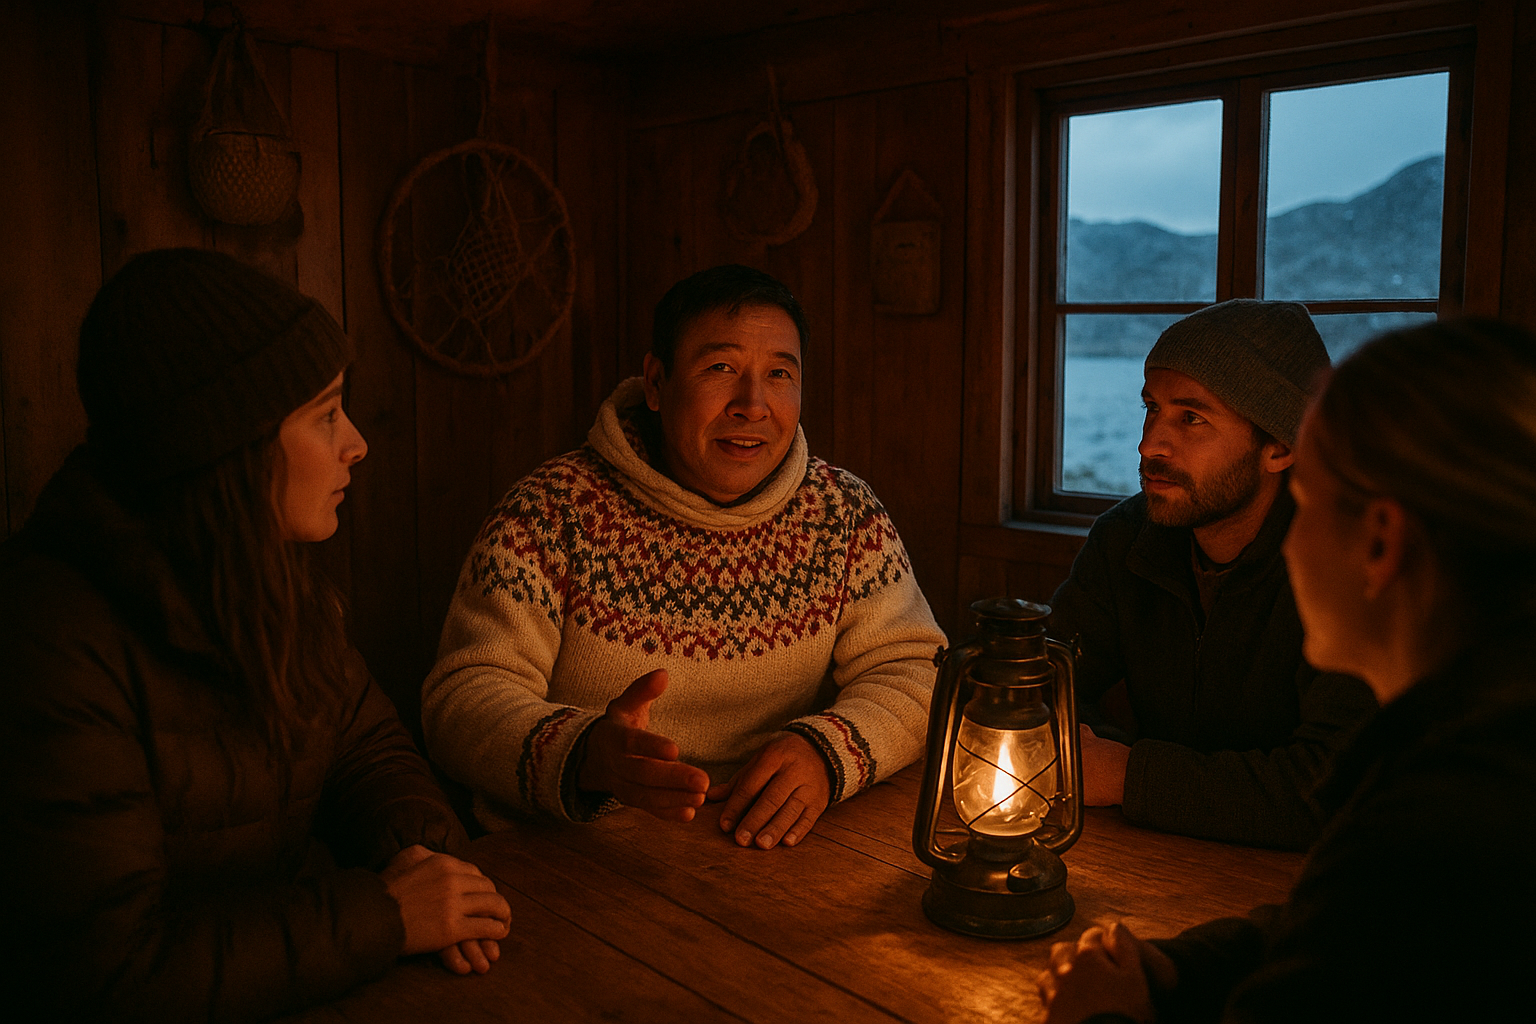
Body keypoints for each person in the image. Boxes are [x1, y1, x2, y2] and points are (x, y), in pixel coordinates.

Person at [0, 249, 512, 1022]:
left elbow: (367, 750)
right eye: (325, 415)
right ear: (225, 445)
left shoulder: (259, 580)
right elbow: (107, 977)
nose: (357, 443)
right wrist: (384, 914)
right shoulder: (48, 642)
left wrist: (420, 854)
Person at [1036, 317, 1536, 1022]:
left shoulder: (1452, 821)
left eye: (1310, 504)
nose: (1288, 542)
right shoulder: (1459, 729)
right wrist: (1179, 970)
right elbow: (1342, 928)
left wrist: (1099, 1017)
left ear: (1381, 542)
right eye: (1152, 410)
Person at [423, 264, 945, 850]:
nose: (753, 405)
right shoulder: (549, 511)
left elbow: (918, 669)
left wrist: (828, 752)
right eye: (721, 368)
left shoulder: (843, 511)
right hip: (574, 852)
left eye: (779, 374)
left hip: (773, 847)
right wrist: (584, 754)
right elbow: (461, 698)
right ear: (655, 382)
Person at [1050, 299, 1376, 849]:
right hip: (1152, 851)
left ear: (1280, 447)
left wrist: (1128, 774)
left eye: (1191, 418)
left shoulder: (1341, 563)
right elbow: (1044, 682)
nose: (1149, 443)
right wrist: (1095, 753)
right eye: (1151, 408)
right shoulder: (1126, 538)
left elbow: (1336, 785)